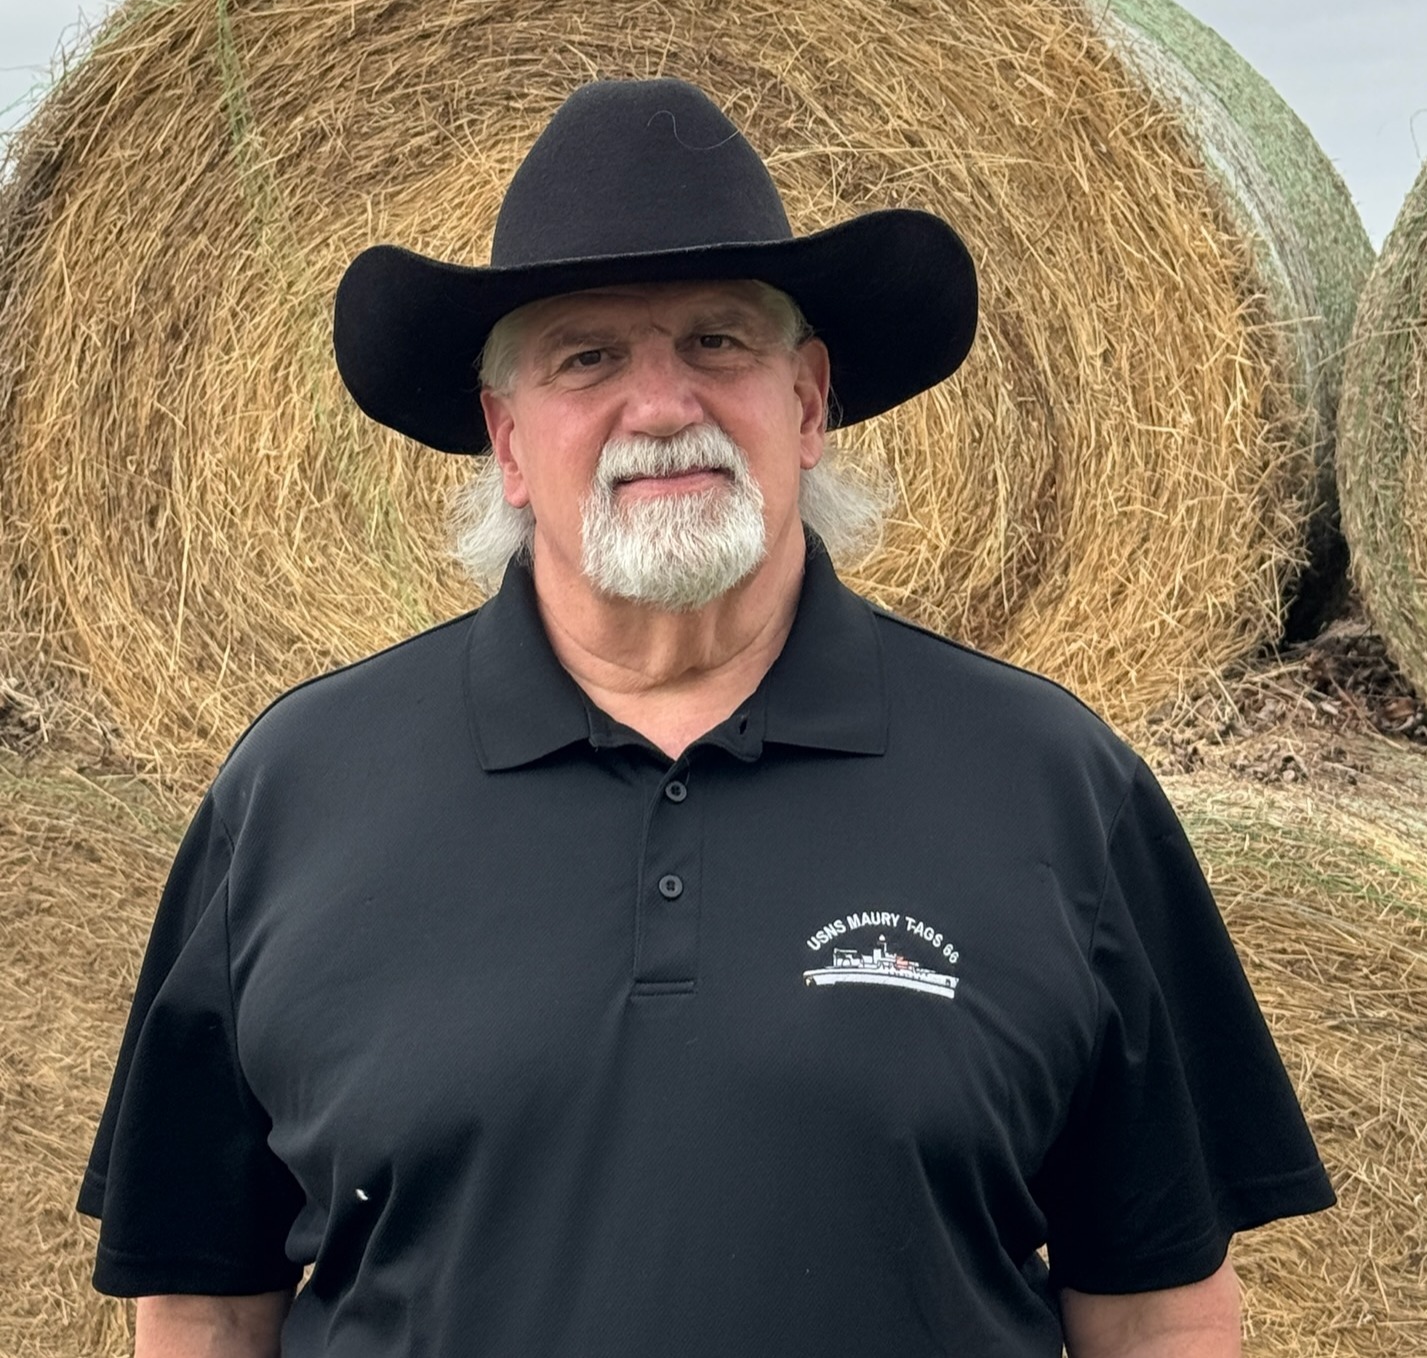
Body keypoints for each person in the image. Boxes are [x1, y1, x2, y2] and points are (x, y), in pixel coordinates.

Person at [80, 77, 1334, 1358]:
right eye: (587, 357)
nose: (663, 405)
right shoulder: (294, 792)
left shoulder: (1052, 784)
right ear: (506, 440)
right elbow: (202, 1302)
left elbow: (1155, 1309)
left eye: (718, 341)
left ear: (808, 401)